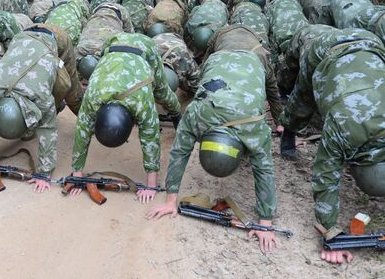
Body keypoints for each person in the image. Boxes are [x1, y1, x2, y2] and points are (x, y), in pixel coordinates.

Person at [146, 49, 280, 253]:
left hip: (250, 63)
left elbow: (264, 169)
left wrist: (266, 223)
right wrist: (265, 222)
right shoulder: (197, 115)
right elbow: (264, 170)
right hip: (219, 62)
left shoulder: (255, 128)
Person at [279, 34, 385, 264]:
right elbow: (326, 175)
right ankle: (288, 134)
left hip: (371, 43)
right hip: (323, 49)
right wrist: (330, 231)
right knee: (301, 100)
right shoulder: (343, 128)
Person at [70, 32, 181, 203]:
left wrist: (151, 184)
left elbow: (150, 137)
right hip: (112, 44)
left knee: (163, 93)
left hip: (145, 48)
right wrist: (77, 175)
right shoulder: (93, 97)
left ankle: (177, 114)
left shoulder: (141, 102)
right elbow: (82, 131)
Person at [0, 27, 62, 193]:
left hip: (49, 41)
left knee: (65, 86)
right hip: (20, 37)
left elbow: (48, 131)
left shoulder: (42, 98)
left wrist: (45, 173)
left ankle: (66, 105)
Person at [200, 25, 284, 131]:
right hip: (222, 36)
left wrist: (279, 122)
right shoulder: (219, 60)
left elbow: (272, 90)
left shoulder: (261, 61)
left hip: (247, 36)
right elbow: (204, 74)